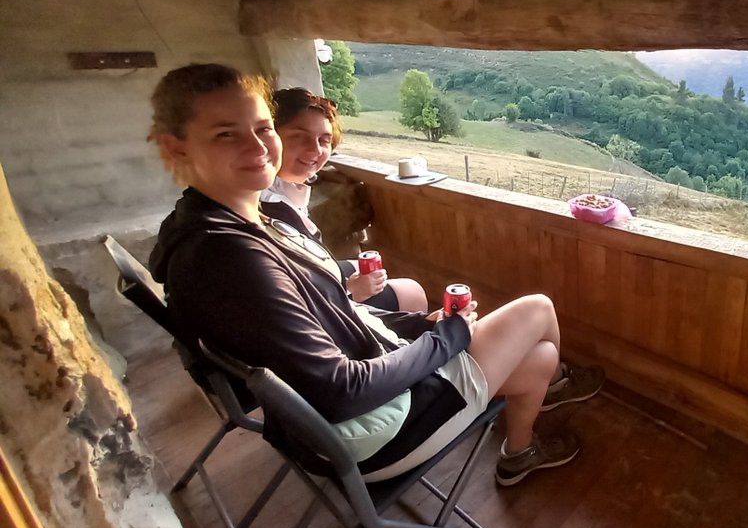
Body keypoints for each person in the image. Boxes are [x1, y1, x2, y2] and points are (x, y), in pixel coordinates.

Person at [147, 64, 604, 485]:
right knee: (538, 309)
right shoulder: (227, 257)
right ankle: (538, 413)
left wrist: (415, 327)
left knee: (538, 359)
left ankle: (520, 449)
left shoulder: (223, 223)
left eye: (263, 127)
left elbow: (338, 315)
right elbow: (343, 391)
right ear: (176, 146)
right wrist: (446, 337)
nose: (256, 146)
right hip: (369, 436)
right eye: (226, 134)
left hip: (338, 416)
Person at [260, 87, 426, 313]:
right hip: (319, 311)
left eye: (324, 140)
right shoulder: (267, 209)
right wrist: (350, 290)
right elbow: (287, 298)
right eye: (299, 137)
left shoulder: (285, 192)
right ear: (269, 139)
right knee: (411, 291)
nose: (315, 150)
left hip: (317, 281)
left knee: (359, 265)